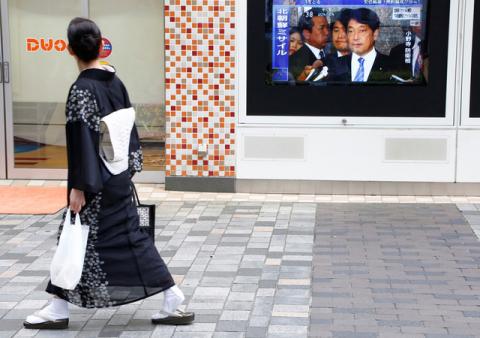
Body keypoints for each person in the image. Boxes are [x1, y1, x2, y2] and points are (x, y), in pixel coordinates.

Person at [23, 17, 194, 330]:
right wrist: (129, 166)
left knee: (74, 237)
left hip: (95, 182)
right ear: (101, 45)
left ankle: (58, 307)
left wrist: (80, 187)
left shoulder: (81, 90)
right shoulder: (115, 81)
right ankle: (173, 297)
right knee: (128, 239)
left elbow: (81, 141)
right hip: (117, 174)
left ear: (69, 50)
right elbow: (128, 126)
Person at [328, 8, 392, 83]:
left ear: (375, 34)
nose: (355, 37)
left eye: (362, 30)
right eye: (351, 31)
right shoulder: (335, 65)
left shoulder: (391, 65)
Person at [288, 8, 329, 81]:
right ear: (306, 34)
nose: (327, 32)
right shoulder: (294, 63)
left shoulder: (331, 53)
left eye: (327, 27)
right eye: (322, 28)